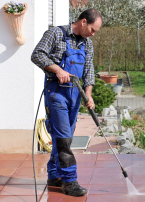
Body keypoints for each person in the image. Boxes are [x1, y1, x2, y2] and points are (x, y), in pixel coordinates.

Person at [31, 9, 102, 196]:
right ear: (84, 21)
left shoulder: (88, 43)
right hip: (57, 94)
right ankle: (69, 181)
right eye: (93, 29)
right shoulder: (56, 33)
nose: (93, 34)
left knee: (65, 137)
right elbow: (37, 54)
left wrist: (88, 94)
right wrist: (57, 70)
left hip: (75, 95)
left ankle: (54, 175)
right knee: (63, 138)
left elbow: (88, 71)